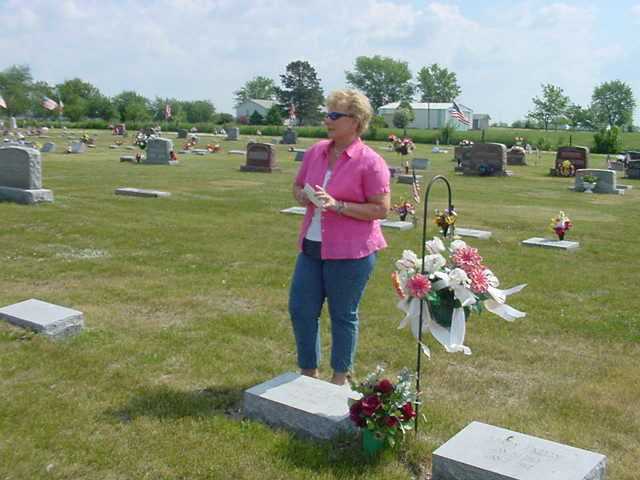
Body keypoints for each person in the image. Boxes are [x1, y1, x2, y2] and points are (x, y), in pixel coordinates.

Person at [289, 88, 390, 386]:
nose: (327, 120)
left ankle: (339, 379)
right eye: (327, 114)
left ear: (356, 122)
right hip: (311, 246)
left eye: (335, 115)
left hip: (352, 253)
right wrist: (303, 196)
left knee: (343, 315)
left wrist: (339, 206)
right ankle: (309, 373)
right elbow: (296, 187)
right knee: (301, 309)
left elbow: (381, 209)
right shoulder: (315, 152)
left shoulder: (371, 162)